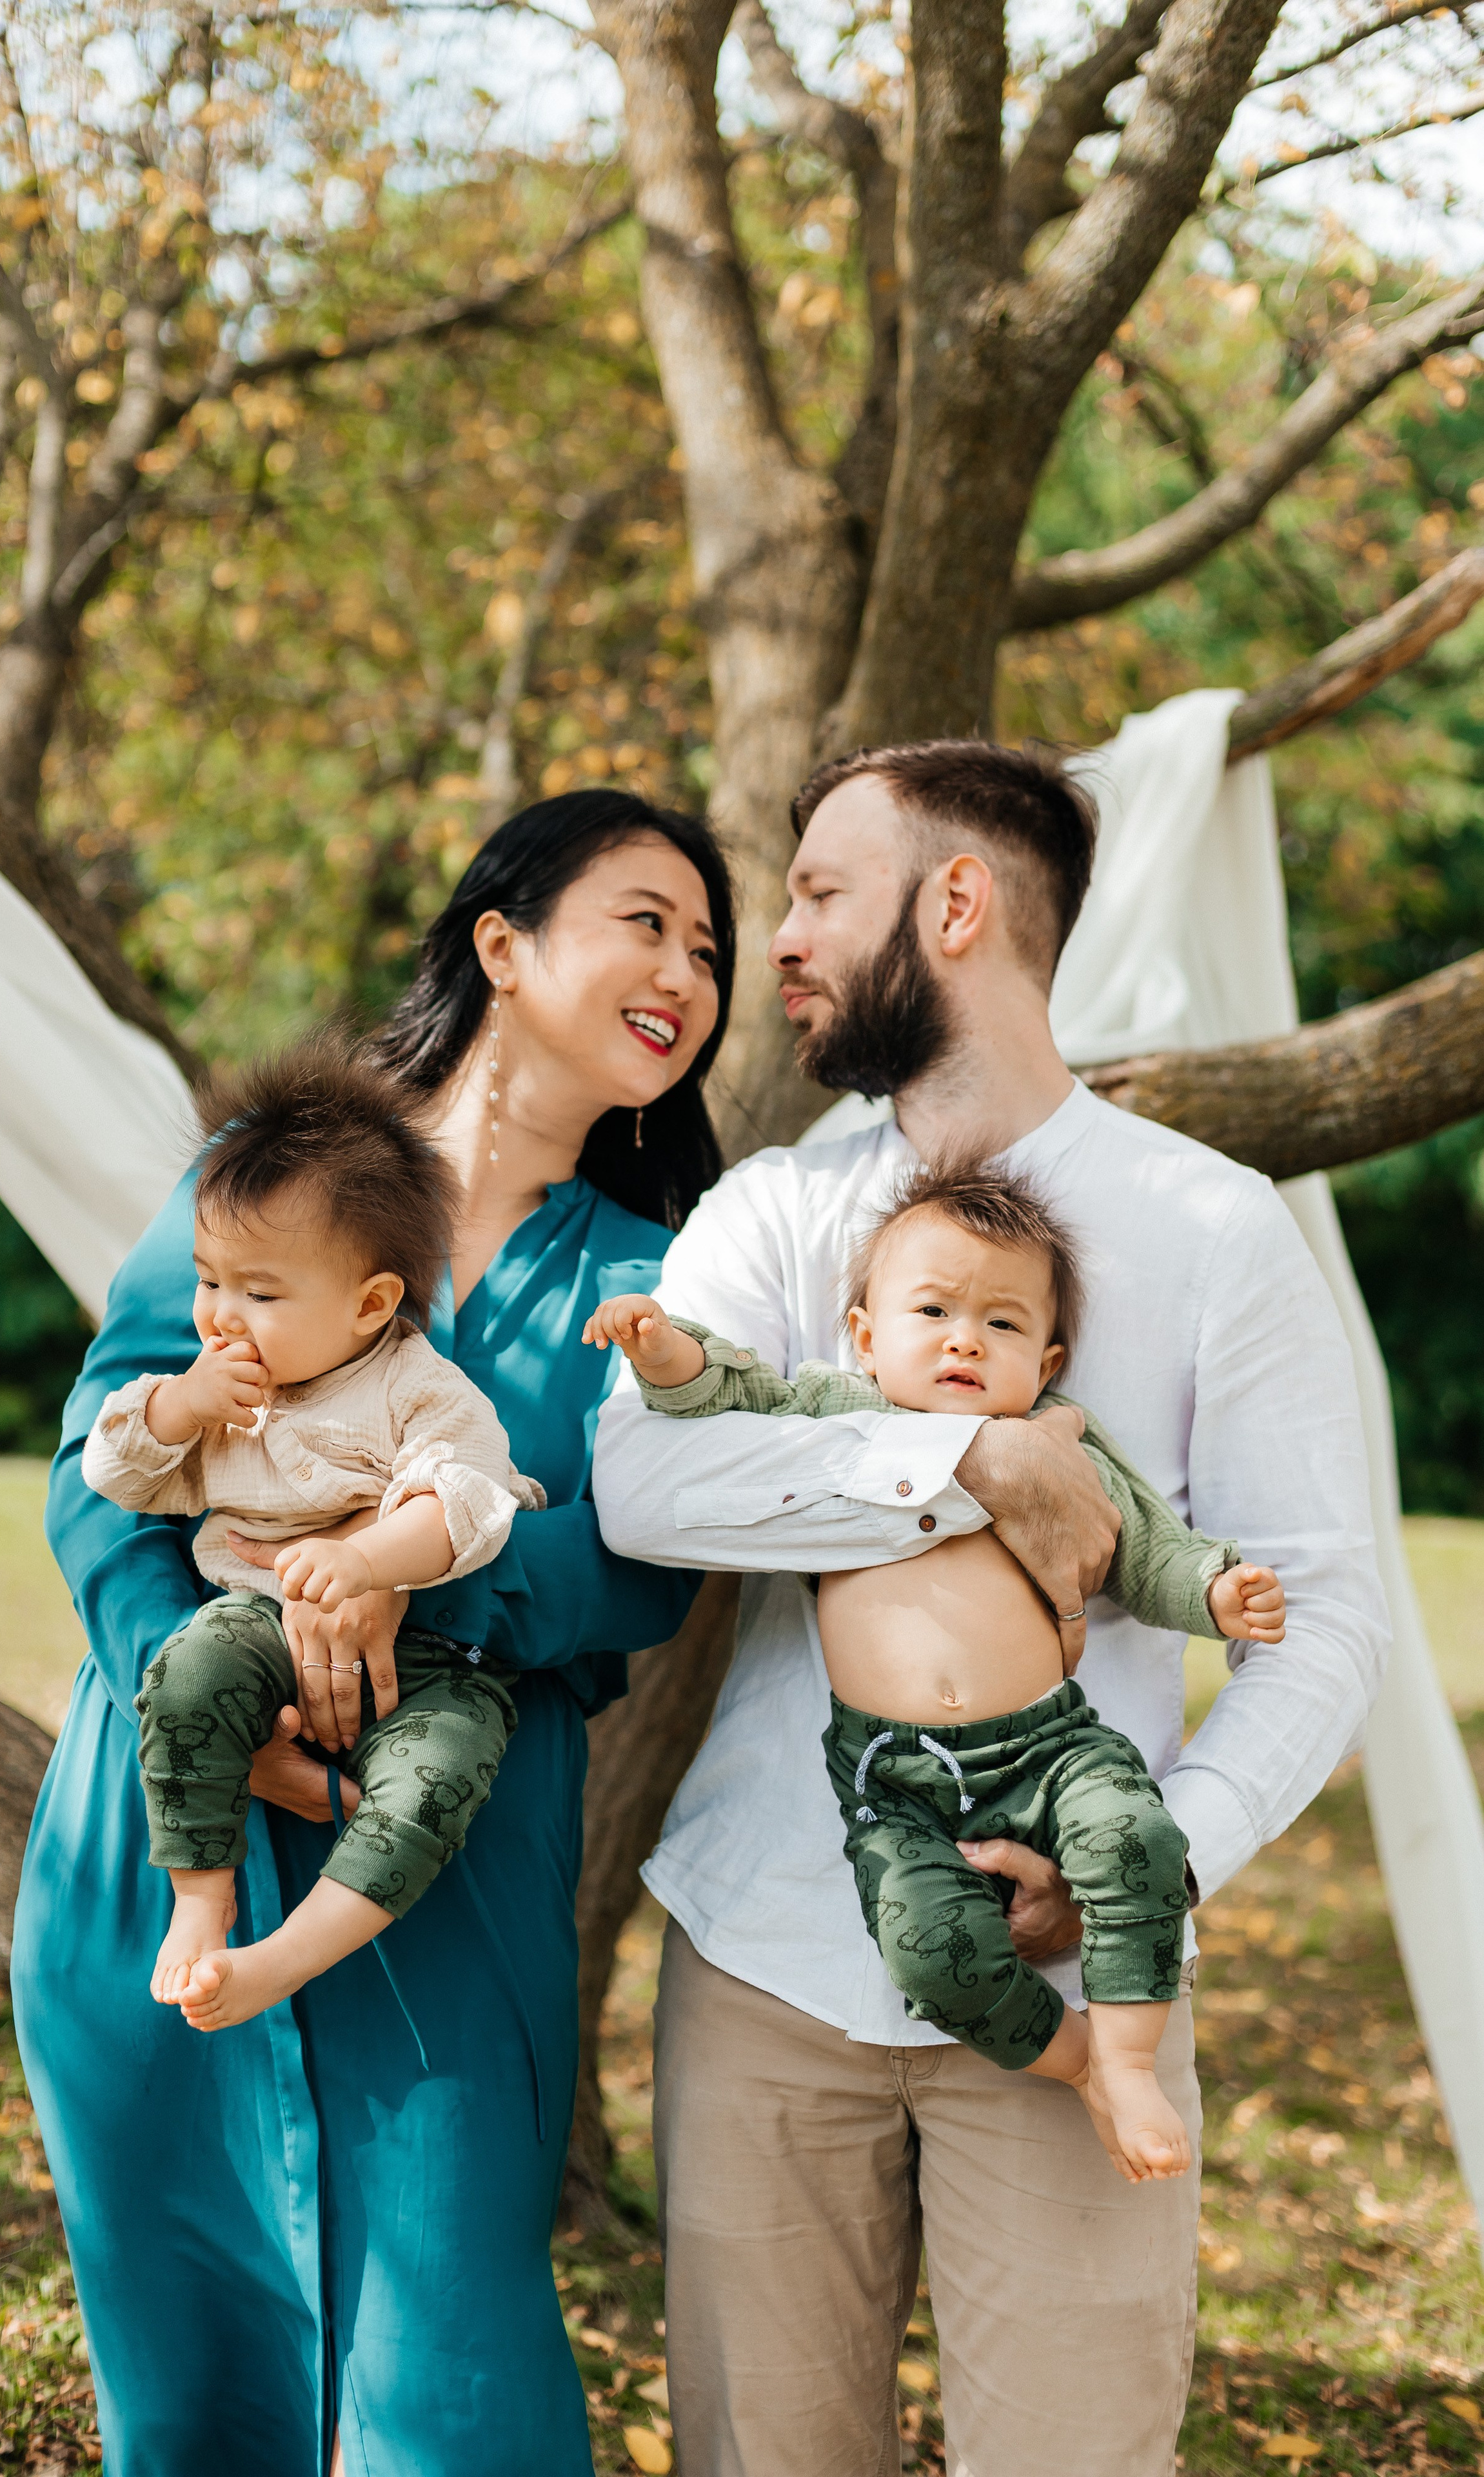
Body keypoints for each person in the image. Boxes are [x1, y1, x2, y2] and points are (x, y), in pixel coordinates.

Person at [591, 741, 1389, 2477]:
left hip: (1084, 1985)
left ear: (954, 905)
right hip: (770, 1962)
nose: (776, 942)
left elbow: (1318, 1619)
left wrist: (1162, 1853)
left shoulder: (1215, 1230)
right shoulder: (784, 1209)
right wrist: (969, 1460)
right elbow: (643, 1485)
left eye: (816, 895)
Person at [12, 788, 733, 2477]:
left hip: (445, 1867)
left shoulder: (666, 1269)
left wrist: (425, 1581)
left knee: (452, 2408)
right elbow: (98, 1470)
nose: (688, 973)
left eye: (710, 950)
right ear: (501, 940)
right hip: (158, 1835)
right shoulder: (255, 1185)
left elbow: (653, 1563)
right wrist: (187, 1682)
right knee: (190, 2410)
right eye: (647, 919)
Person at [585, 1155, 1287, 2183]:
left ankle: (1131, 2059)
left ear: (1046, 1362)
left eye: (1003, 1325)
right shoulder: (831, 1410)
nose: (966, 1337)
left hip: (1051, 1749)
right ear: (866, 1337)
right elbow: (728, 1395)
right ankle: (1075, 2058)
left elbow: (1146, 1549)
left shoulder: (1065, 1447)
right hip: (890, 1778)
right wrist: (662, 1351)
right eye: (934, 1311)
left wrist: (1216, 1590)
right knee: (927, 1946)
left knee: (1134, 1839)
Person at [84, 1039, 544, 2027]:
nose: (219, 1318)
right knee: (190, 1671)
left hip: (430, 1654)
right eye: (210, 1282)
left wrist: (369, 1560)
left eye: (258, 1292)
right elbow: (112, 1473)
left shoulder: (413, 1386)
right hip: (254, 1618)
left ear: (372, 1303)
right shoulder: (219, 1387)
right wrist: (176, 1406)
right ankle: (202, 1903)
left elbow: (469, 1495)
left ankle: (288, 1957)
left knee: (440, 1775)